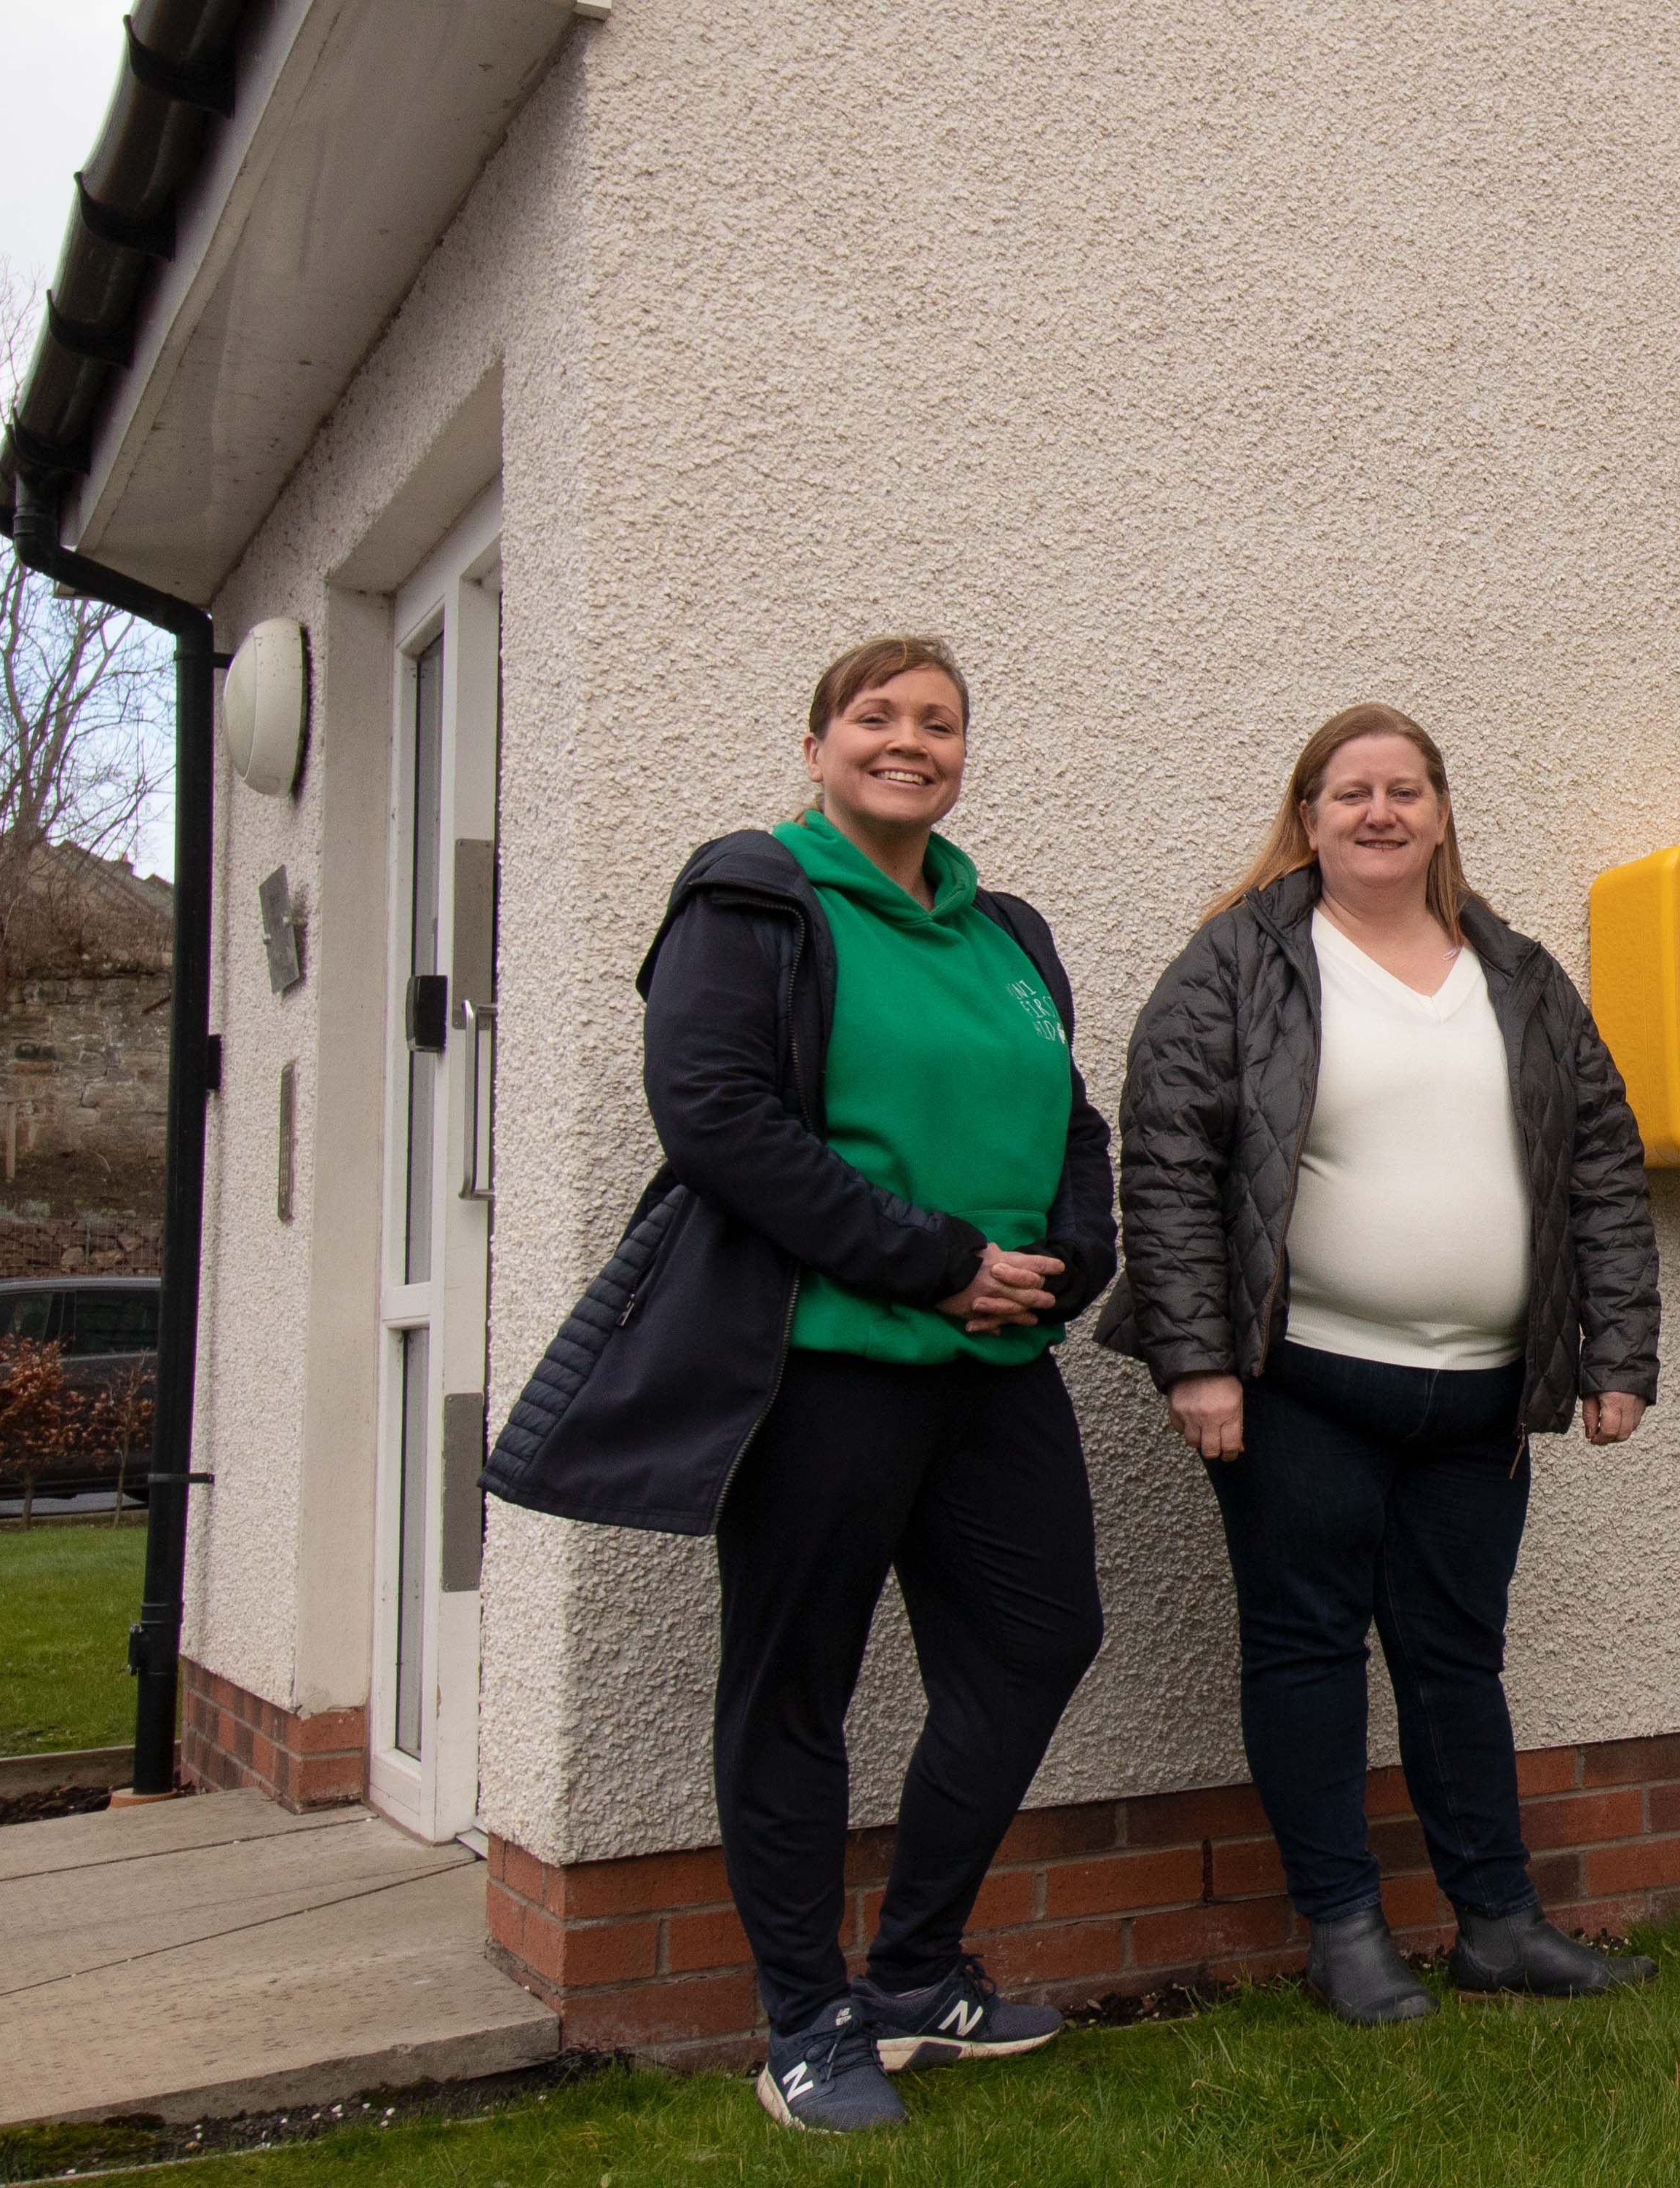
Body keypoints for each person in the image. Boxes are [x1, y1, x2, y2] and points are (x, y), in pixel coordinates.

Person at [485, 636, 1114, 2132]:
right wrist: (934, 1260)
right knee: (793, 1689)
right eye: (877, 717)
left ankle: (911, 1975)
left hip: (995, 1368)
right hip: (822, 1364)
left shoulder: (1002, 929)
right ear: (821, 742)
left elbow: (1070, 1119)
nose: (910, 741)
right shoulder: (753, 895)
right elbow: (715, 1117)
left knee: (1038, 1641)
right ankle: (804, 2022)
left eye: (939, 722)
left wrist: (1066, 1262)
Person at [1097, 702, 1663, 2026]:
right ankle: (1345, 1931)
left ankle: (1499, 1925)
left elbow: (1602, 1165)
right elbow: (1167, 1156)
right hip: (1301, 1384)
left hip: (1481, 1397)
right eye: (1350, 792)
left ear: (1443, 811)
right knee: (1306, 1652)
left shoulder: (1515, 973)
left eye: (1405, 789)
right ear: (1308, 816)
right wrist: (1197, 1360)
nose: (1379, 812)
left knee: (1458, 1655)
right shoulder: (1239, 962)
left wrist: (1617, 1349)